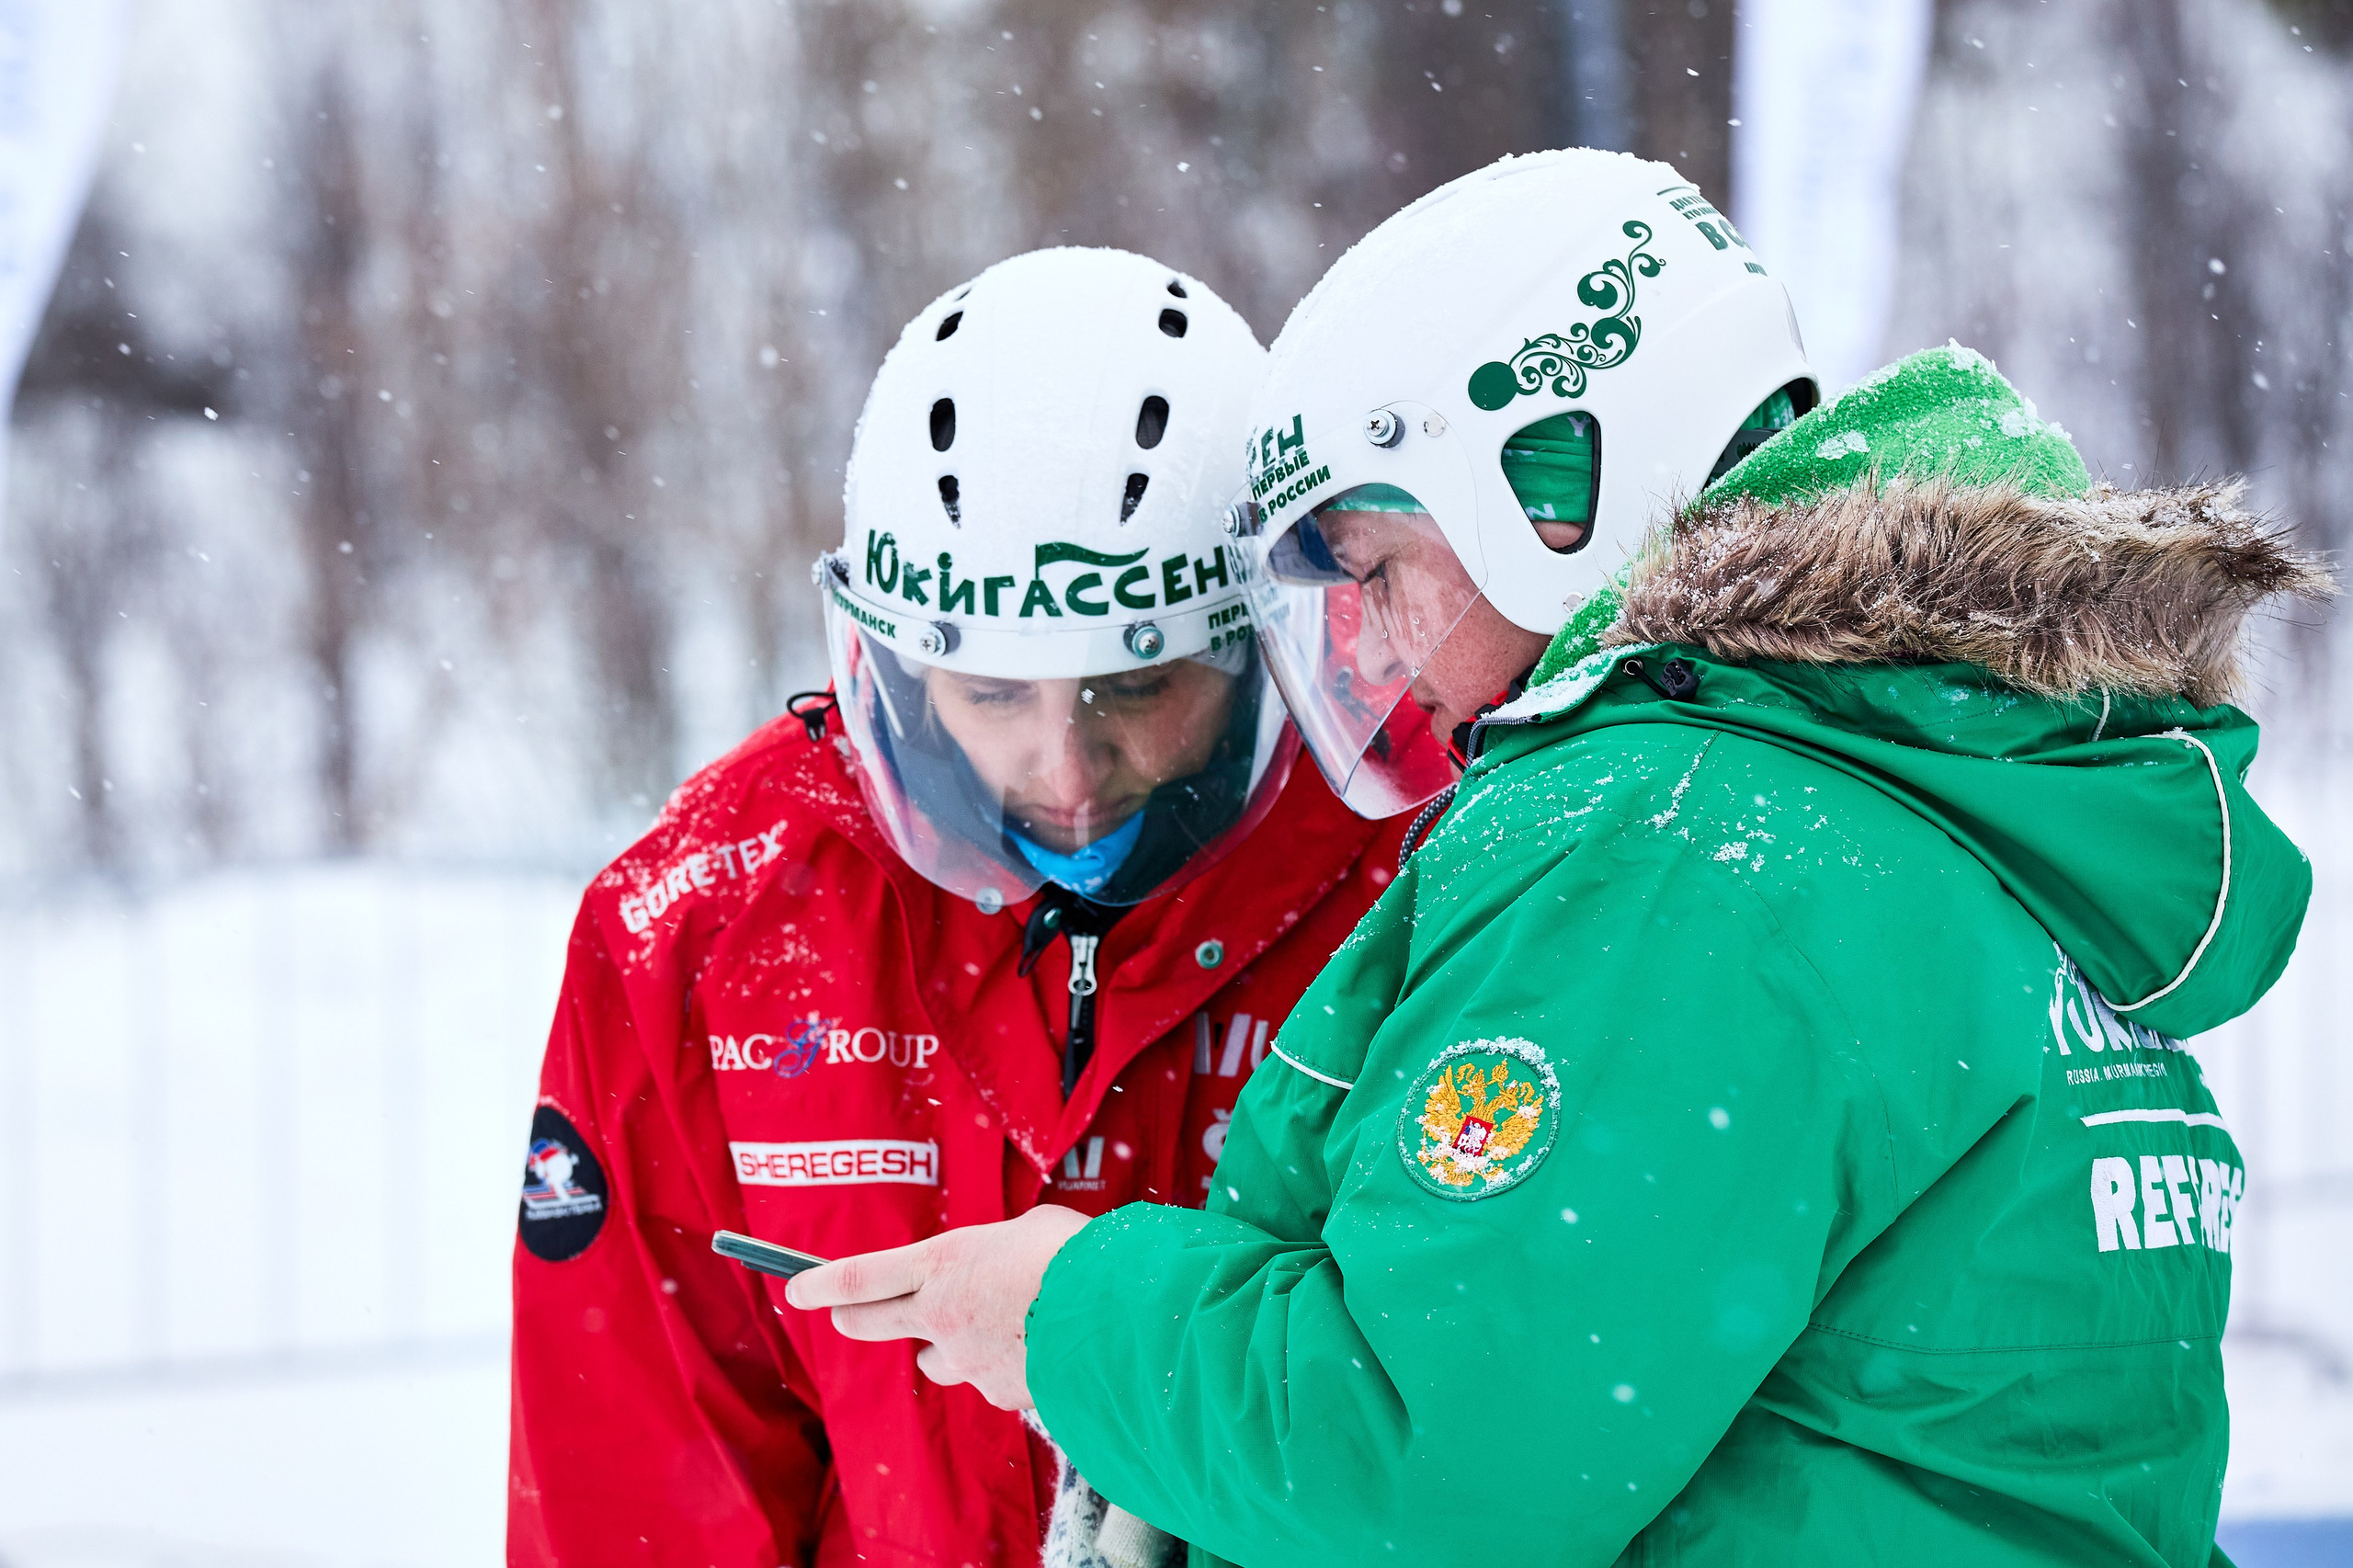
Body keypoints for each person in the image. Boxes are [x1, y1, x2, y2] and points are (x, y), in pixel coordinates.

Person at [789, 150, 2333, 1565]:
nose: (1374, 647)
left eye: (1380, 568)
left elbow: (1420, 1460)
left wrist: (1071, 1311)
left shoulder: (1679, 843)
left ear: (1555, 478)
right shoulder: (1935, 792)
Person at [506, 246, 1415, 1567]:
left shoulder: (1419, 874)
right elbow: (632, 1502)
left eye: (1139, 683)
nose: (1065, 770)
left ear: (1260, 641)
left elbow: (1480, 1430)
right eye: (993, 695)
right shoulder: (707, 926)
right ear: (897, 662)